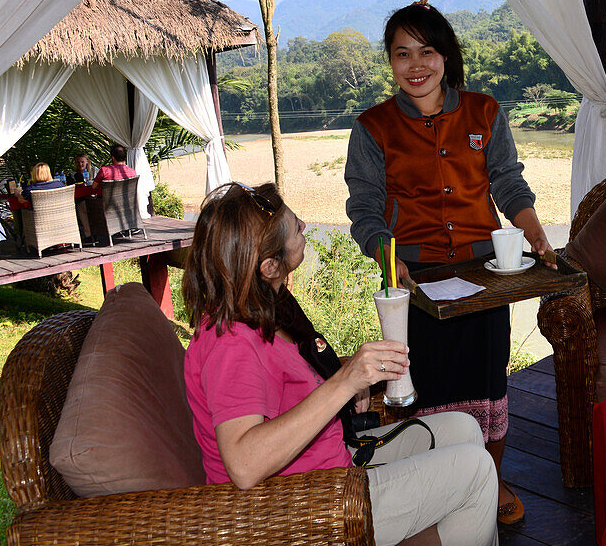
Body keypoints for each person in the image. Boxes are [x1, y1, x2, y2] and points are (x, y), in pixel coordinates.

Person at [182, 182, 498, 546]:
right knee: (476, 472)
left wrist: (346, 382)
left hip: (328, 462)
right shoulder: (231, 343)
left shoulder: (265, 306)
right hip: (301, 505)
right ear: (269, 265)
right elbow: (244, 463)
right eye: (294, 226)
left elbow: (288, 389)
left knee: (463, 430)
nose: (303, 225)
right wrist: (343, 381)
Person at [344, 0, 554, 525]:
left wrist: (536, 234)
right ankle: (435, 491)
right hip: (414, 279)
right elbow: (364, 209)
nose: (416, 66)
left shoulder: (484, 111)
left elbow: (508, 182)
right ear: (390, 63)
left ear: (445, 56)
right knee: (425, 389)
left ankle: (493, 478)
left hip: (484, 273)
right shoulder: (372, 128)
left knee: (487, 384)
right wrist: (390, 259)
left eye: (426, 52)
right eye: (401, 54)